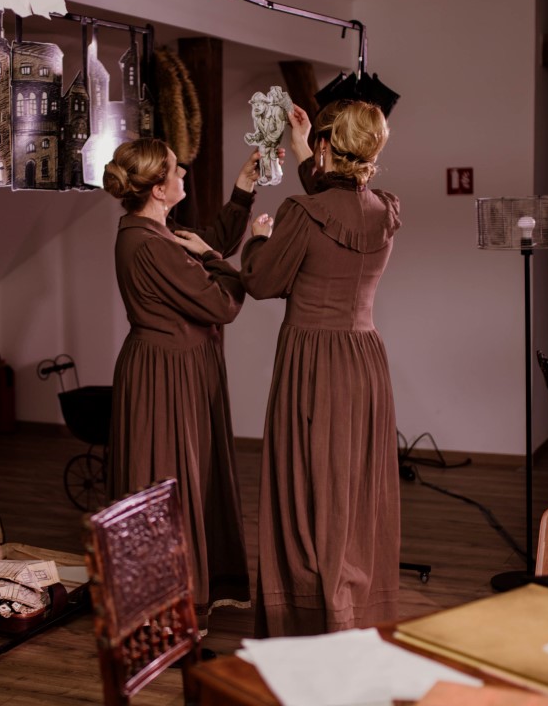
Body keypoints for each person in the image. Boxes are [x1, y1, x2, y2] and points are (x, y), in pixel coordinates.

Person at [242, 99, 401, 637]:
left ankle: (311, 617)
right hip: (365, 360)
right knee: (350, 490)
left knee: (306, 488)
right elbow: (336, 204)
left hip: (312, 360)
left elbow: (261, 281)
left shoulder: (299, 212)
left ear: (329, 146)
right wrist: (306, 150)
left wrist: (258, 239)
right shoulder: (384, 211)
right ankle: (352, 609)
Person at [105, 138, 268, 625]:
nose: (183, 175)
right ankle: (164, 608)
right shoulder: (150, 244)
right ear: (158, 189)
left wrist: (243, 189)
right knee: (166, 476)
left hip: (175, 367)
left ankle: (176, 597)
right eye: (176, 170)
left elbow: (204, 241)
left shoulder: (155, 231)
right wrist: (228, 253)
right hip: (165, 374)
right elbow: (221, 302)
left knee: (183, 476)